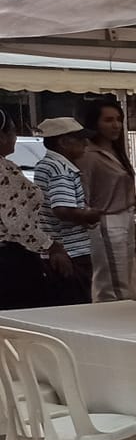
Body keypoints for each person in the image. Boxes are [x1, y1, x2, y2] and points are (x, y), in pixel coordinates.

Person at [78, 96, 136, 302]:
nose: (116, 125)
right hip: (106, 219)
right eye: (108, 120)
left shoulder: (116, 151)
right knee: (113, 282)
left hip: (126, 218)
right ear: (95, 123)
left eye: (118, 119)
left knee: (125, 277)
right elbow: (84, 193)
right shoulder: (88, 154)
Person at [32, 119, 98, 304]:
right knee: (76, 302)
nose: (86, 143)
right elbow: (62, 209)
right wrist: (91, 214)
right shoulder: (61, 169)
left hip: (57, 249)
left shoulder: (46, 165)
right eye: (80, 139)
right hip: (71, 252)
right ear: (63, 142)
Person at [0, 109, 55, 308]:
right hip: (9, 262)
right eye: (13, 131)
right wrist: (51, 246)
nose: (15, 137)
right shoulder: (3, 171)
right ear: (2, 135)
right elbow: (18, 223)